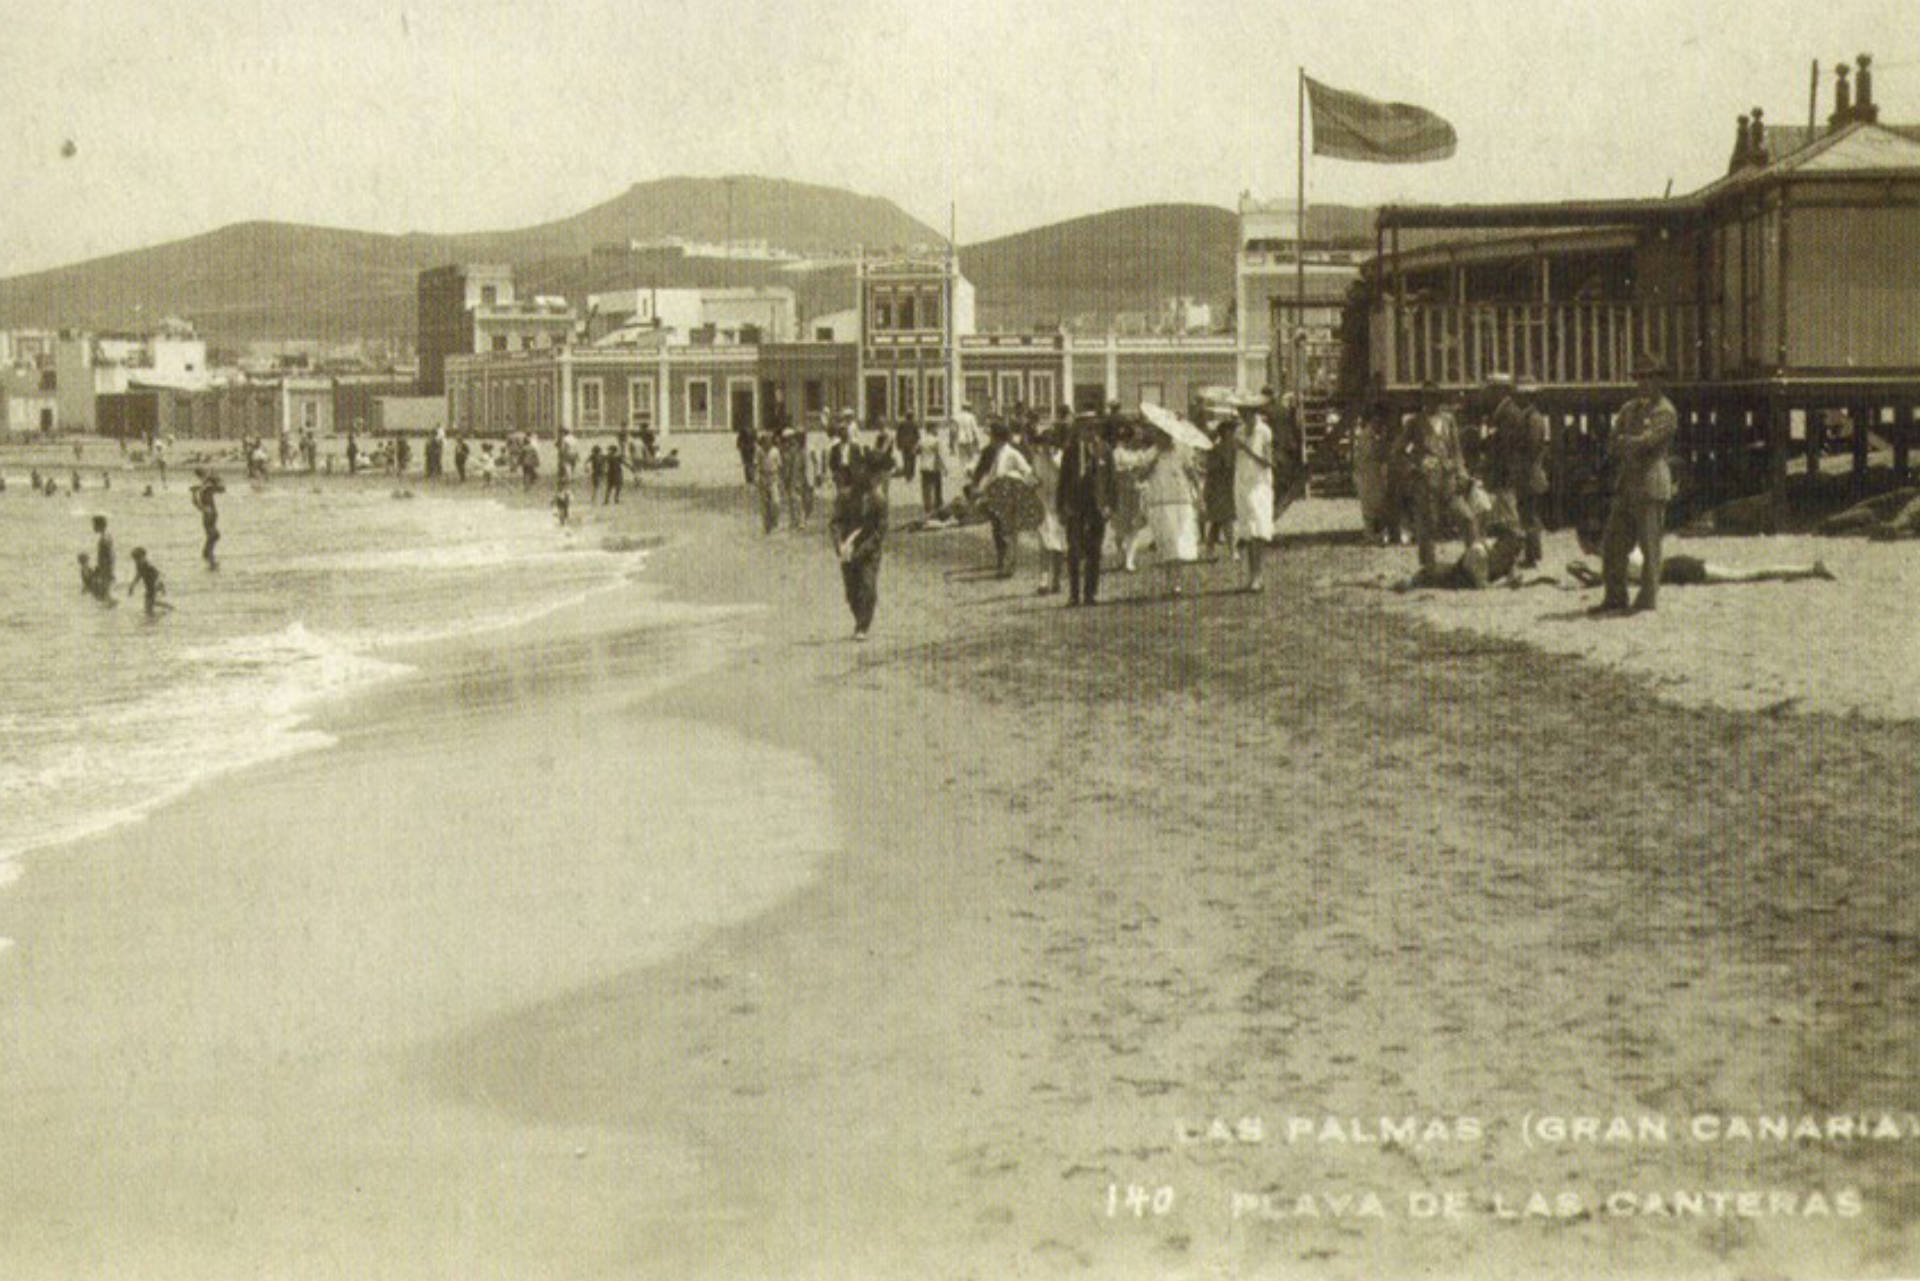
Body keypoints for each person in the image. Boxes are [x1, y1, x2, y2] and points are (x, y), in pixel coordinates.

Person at [1592, 355, 1678, 615]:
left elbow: (1647, 443)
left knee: (1649, 546)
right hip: (1628, 484)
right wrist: (1627, 441)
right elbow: (1612, 442)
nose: (1643, 382)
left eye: (1649, 377)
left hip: (1651, 484)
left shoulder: (1665, 410)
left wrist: (1626, 441)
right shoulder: (1629, 409)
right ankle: (1615, 596)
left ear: (1659, 381)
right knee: (1612, 544)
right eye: (1639, 377)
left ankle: (1647, 599)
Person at [1567, 524, 1832, 589]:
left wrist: (1592, 577)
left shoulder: (1617, 556)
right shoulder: (1617, 550)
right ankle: (1807, 569)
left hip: (1685, 571)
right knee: (1748, 574)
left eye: (1581, 542)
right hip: (1678, 565)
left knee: (1748, 575)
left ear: (1590, 541)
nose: (1580, 546)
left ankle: (1809, 569)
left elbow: (1631, 579)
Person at [1410, 383, 1480, 572]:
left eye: (1434, 398)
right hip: (1427, 483)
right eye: (1426, 398)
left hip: (1449, 482)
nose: (1430, 402)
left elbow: (1457, 451)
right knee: (1428, 525)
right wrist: (1418, 461)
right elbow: (1399, 451)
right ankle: (1428, 568)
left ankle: (1475, 561)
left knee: (1467, 517)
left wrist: (1462, 473)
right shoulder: (1415, 422)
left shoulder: (1449, 421)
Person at [1057, 412, 1117, 607]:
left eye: (1092, 427)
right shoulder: (1071, 450)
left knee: (1094, 551)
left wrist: (1110, 505)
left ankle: (1090, 593)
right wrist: (1061, 507)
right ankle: (1074, 595)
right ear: (1079, 429)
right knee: (1074, 551)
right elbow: (1063, 481)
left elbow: (1111, 480)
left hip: (1097, 507)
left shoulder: (1105, 450)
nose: (1089, 432)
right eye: (1084, 428)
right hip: (1075, 506)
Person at [831, 447, 889, 641]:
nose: (873, 479)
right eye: (869, 473)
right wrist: (839, 544)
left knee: (868, 586)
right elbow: (836, 522)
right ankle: (859, 617)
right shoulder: (846, 496)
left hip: (869, 551)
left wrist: (864, 549)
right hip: (848, 550)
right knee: (852, 590)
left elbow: (880, 531)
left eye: (876, 475)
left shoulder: (879, 500)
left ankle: (863, 625)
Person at [1138, 421, 1202, 597]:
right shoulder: (1151, 454)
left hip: (1181, 502)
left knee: (1180, 545)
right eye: (1159, 434)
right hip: (1160, 503)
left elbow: (1192, 474)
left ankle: (1178, 581)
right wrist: (1153, 461)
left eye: (1166, 434)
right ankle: (1172, 583)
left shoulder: (1182, 451)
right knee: (1168, 543)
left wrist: (1200, 496)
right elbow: (1141, 476)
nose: (1163, 438)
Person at [1232, 395, 1278, 592]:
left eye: (1246, 412)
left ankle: (1258, 575)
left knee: (1258, 529)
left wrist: (1247, 449)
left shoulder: (1265, 431)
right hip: (1242, 482)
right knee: (1248, 532)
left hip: (1259, 484)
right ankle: (1253, 577)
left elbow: (1268, 462)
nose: (1242, 415)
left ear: (1254, 412)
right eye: (1240, 412)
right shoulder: (1239, 430)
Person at [1029, 427, 1067, 595]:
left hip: (1059, 505)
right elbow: (1031, 476)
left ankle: (1056, 580)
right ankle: (1043, 581)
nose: (1046, 448)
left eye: (1049, 444)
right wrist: (1033, 482)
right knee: (1044, 542)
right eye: (1043, 444)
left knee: (1058, 544)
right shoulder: (1037, 459)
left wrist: (1054, 462)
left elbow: (1067, 480)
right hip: (1042, 503)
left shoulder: (1062, 458)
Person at [1201, 415, 1238, 558]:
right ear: (1225, 433)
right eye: (1231, 430)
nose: (1233, 433)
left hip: (1228, 487)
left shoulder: (1235, 448)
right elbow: (1212, 469)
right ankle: (1225, 551)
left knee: (1226, 520)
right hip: (1217, 488)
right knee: (1219, 521)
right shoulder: (1216, 449)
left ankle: (1220, 551)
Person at [780, 423, 814, 530]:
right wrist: (786, 477)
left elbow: (809, 464)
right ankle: (795, 521)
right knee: (793, 500)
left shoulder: (805, 449)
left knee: (801, 500)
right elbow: (788, 464)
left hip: (802, 477)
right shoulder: (792, 449)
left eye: (802, 436)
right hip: (793, 478)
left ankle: (801, 521)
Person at [753, 427, 783, 534]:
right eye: (765, 440)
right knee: (764, 503)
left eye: (769, 440)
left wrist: (780, 480)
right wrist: (756, 478)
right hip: (763, 477)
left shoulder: (775, 451)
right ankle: (766, 525)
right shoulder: (759, 451)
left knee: (776, 501)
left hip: (773, 477)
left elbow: (779, 466)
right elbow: (756, 465)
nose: (767, 442)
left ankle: (774, 520)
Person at [192, 470, 224, 567]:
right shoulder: (206, 488)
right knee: (213, 535)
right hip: (210, 513)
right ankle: (210, 558)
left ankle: (207, 554)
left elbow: (196, 503)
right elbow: (222, 489)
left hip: (208, 513)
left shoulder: (203, 488)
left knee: (213, 535)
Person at [127, 547, 169, 618]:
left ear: (143, 557)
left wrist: (161, 587)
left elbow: (158, 576)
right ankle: (166, 610)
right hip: (149, 587)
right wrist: (132, 586)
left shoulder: (149, 566)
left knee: (148, 606)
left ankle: (158, 616)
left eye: (138, 559)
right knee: (150, 604)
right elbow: (138, 576)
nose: (136, 561)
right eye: (135, 560)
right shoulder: (139, 566)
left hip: (154, 587)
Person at [918, 419, 947, 513]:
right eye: (936, 428)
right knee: (936, 487)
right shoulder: (936, 440)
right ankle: (937, 507)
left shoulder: (922, 440)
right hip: (933, 467)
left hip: (923, 466)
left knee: (925, 488)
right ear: (931, 429)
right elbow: (938, 455)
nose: (937, 430)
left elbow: (916, 451)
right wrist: (944, 467)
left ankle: (927, 507)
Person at [88, 515, 115, 601]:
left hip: (105, 569)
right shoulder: (108, 536)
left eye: (95, 525)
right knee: (105, 593)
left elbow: (108, 555)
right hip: (106, 568)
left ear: (101, 526)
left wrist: (103, 569)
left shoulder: (104, 539)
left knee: (105, 595)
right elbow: (110, 555)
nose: (93, 527)